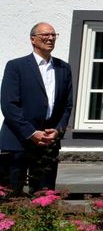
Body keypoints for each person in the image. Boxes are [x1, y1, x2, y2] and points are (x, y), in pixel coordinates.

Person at [0, 23, 73, 194]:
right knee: (10, 194)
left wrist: (57, 130)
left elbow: (67, 105)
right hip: (17, 140)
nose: (50, 38)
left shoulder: (63, 68)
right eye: (45, 35)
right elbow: (9, 105)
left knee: (44, 195)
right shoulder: (16, 66)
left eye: (54, 35)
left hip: (48, 140)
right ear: (33, 39)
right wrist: (31, 133)